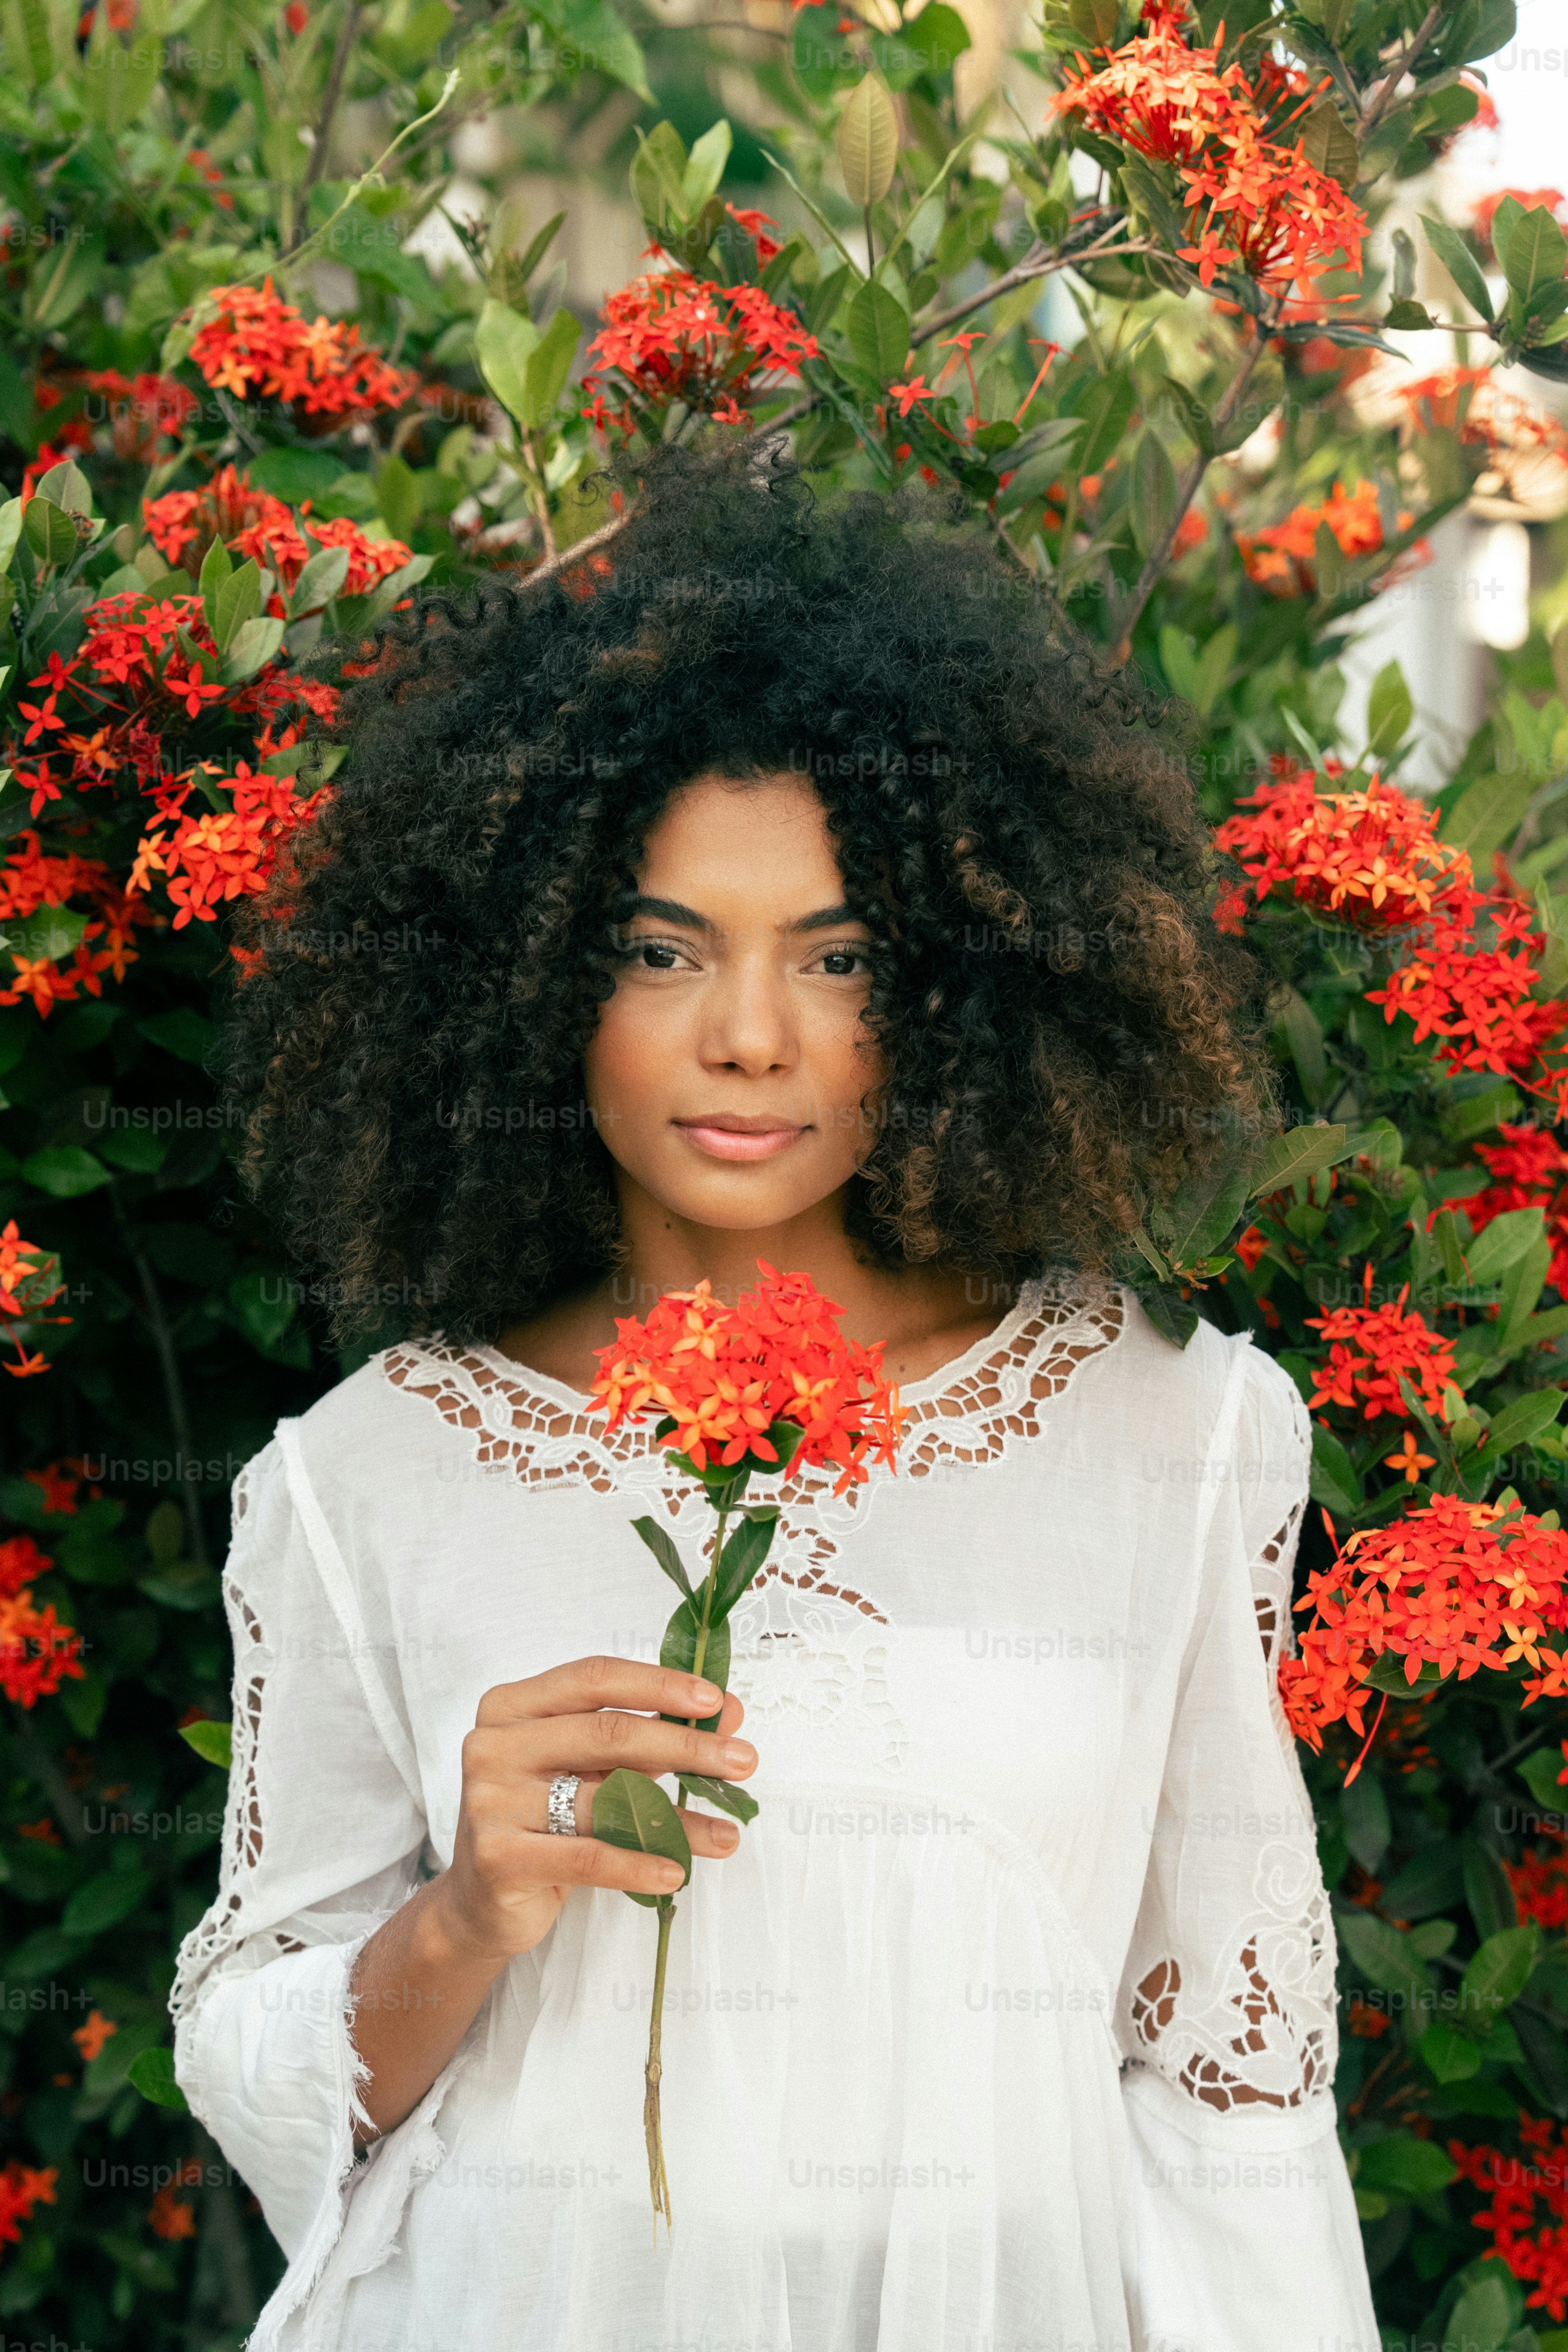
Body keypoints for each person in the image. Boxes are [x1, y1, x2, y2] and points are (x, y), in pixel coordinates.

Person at [173, 446, 1378, 2352]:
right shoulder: (363, 1475)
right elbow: (270, 2086)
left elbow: (1235, 2109)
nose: (750, 1034)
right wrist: (472, 1906)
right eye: (664, 952)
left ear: (967, 989)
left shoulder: (1177, 1430)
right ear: (538, 976)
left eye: (841, 959)